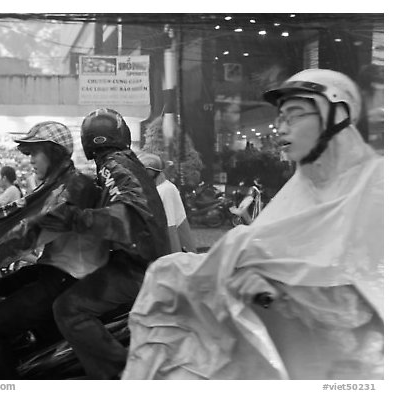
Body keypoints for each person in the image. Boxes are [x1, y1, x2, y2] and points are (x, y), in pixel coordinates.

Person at [122, 69, 383, 380]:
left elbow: (367, 282)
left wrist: (286, 290)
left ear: (338, 113)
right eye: (281, 117)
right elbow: (271, 244)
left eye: (295, 115)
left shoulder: (377, 186)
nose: (282, 128)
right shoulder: (303, 186)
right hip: (284, 348)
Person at [34, 108, 171, 379]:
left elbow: (127, 215)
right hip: (140, 261)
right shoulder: (121, 164)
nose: (32, 161)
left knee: (68, 308)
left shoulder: (113, 164)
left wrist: (73, 218)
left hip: (137, 267)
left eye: (36, 153)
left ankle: (119, 376)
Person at [0, 121, 110, 379]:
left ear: (52, 152)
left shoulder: (74, 187)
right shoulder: (57, 183)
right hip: (55, 271)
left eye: (35, 153)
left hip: (70, 280)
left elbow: (37, 228)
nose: (30, 160)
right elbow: (18, 210)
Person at [137, 151, 196, 253]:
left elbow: (170, 227)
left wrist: (173, 258)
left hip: (177, 249)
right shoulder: (155, 188)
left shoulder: (165, 190)